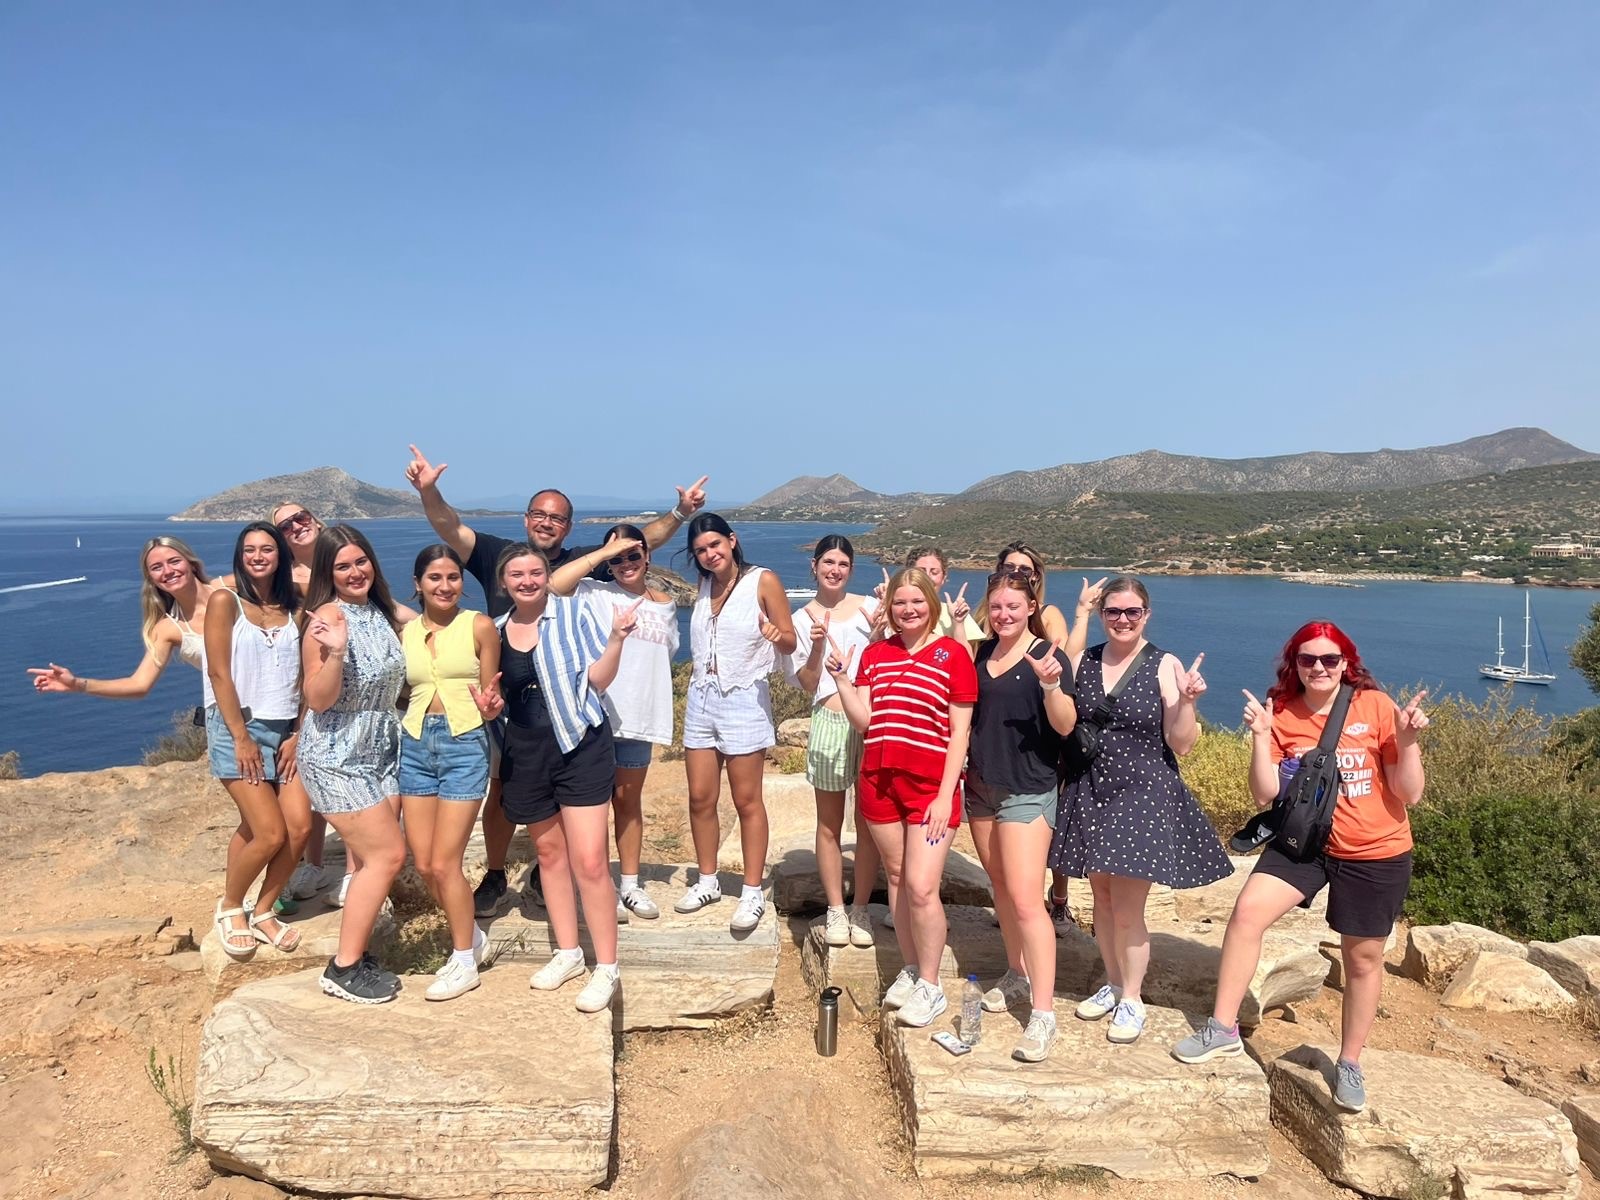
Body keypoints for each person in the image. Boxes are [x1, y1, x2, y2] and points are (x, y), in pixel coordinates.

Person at [403, 444, 707, 918]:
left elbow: (638, 542)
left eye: (557, 518)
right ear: (527, 519)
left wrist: (680, 513)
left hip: (567, 700)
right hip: (509, 699)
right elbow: (448, 526)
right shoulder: (493, 554)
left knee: (568, 794)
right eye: (539, 515)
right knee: (503, 790)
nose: (547, 523)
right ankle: (497, 874)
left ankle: (549, 874)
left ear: (567, 525)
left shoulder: (580, 560)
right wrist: (429, 491)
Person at [1173, 623, 1428, 1113]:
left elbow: (1408, 793)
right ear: (1294, 663)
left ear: (1346, 663)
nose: (1319, 668)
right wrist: (1261, 737)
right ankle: (1223, 1027)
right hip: (1305, 843)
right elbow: (1266, 795)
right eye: (1308, 659)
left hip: (1375, 848)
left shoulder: (1374, 706)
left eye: (1330, 660)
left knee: (1362, 959)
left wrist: (1409, 740)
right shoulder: (1283, 712)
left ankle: (1350, 1061)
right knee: (1248, 913)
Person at [1050, 577, 1230, 1044]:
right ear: (1103, 614)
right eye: (1114, 612)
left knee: (1128, 908)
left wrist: (1188, 702)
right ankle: (1113, 983)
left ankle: (1132, 997)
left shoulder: (1163, 663)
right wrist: (1080, 614)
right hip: (1093, 787)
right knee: (1103, 899)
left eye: (1132, 612)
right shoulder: (1087, 660)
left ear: (1146, 614)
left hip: (1142, 792)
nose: (1123, 620)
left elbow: (1182, 744)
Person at [468, 543, 636, 1013]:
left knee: (590, 860)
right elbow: (499, 696)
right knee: (548, 853)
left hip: (580, 744)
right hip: (526, 749)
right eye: (517, 574)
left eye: (535, 572)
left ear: (547, 575)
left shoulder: (574, 613)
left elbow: (597, 681)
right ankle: (568, 953)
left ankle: (607, 966)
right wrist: (490, 709)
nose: (527, 581)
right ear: (504, 583)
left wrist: (617, 639)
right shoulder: (497, 632)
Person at [827, 566, 976, 1028]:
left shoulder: (953, 655)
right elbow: (865, 722)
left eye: (916, 601)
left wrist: (945, 794)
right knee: (894, 876)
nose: (907, 610)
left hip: (930, 789)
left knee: (922, 886)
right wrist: (842, 681)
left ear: (930, 603)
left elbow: (960, 734)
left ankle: (931, 986)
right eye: (899, 603)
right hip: (879, 782)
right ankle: (912, 969)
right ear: (889, 608)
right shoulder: (876, 654)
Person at [298, 525, 414, 1004]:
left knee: (374, 859)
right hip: (336, 755)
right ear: (328, 572)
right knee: (388, 855)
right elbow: (318, 699)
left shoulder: (381, 612)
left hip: (380, 749)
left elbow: (434, 618)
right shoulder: (325, 619)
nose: (354, 572)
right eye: (342, 566)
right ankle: (343, 968)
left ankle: (357, 951)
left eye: (360, 561)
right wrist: (337, 652)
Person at [967, 567, 1077, 1062]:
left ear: (1031, 607)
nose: (1004, 614)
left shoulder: (1045, 656)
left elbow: (1066, 724)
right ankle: (1017, 972)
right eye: (996, 607)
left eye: (1013, 606)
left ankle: (1043, 1014)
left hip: (1028, 791)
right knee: (1002, 889)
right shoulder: (983, 652)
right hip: (982, 788)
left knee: (1029, 901)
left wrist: (1053, 686)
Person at [548, 525, 679, 922]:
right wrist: (603, 553)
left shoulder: (666, 604)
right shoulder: (594, 592)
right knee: (591, 807)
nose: (625, 564)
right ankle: (597, 884)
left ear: (647, 558)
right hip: (594, 716)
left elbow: (665, 657)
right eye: (618, 558)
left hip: (639, 718)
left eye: (633, 556)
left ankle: (630, 885)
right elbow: (554, 584)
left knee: (628, 804)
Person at [674, 513, 797, 934]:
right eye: (701, 551)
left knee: (747, 801)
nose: (710, 555)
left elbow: (790, 638)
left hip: (743, 699)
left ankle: (750, 891)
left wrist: (772, 635)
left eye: (715, 546)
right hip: (701, 698)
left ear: (732, 540)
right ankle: (707, 881)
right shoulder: (705, 584)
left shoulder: (763, 580)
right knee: (700, 798)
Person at [398, 545, 500, 1001]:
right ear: (418, 584)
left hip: (464, 742)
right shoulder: (405, 631)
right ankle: (473, 936)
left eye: (453, 577)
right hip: (416, 742)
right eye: (435, 578)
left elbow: (493, 691)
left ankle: (463, 960)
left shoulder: (478, 625)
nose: (445, 586)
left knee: (445, 862)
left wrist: (493, 707)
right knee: (423, 864)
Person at [202, 523, 307, 959]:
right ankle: (230, 907)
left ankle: (263, 909)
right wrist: (241, 738)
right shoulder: (225, 602)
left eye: (267, 549)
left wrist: (299, 732)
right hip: (237, 727)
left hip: (286, 730)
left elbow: (304, 675)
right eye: (250, 550)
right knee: (267, 832)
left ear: (280, 555)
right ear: (239, 556)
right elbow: (218, 672)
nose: (258, 556)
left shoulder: (294, 606)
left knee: (297, 828)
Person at [788, 535, 882, 949]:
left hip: (870, 723)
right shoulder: (799, 617)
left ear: (850, 569)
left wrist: (879, 635)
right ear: (814, 565)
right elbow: (807, 683)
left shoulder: (870, 608)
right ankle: (835, 909)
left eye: (843, 563)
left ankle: (860, 906)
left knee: (867, 823)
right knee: (829, 824)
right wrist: (816, 645)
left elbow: (888, 661)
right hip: (828, 719)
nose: (835, 569)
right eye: (828, 561)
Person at [29, 536, 218, 700]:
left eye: (175, 561)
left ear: (192, 564)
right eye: (156, 567)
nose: (167, 571)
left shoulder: (230, 588)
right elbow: (139, 685)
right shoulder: (167, 629)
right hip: (228, 721)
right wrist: (78, 684)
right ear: (151, 578)